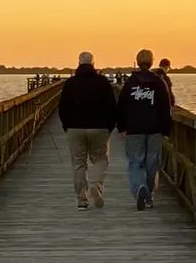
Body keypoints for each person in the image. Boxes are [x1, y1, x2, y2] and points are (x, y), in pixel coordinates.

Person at [57, 51, 117, 209]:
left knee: (78, 164)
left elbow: (62, 108)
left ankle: (82, 200)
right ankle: (95, 184)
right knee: (100, 159)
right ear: (93, 64)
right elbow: (112, 107)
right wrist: (109, 127)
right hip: (99, 127)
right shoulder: (103, 82)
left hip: (75, 128)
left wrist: (66, 126)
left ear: (78, 63)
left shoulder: (70, 83)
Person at [116, 48, 174, 208]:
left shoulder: (130, 82)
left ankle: (140, 188)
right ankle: (149, 196)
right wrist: (166, 129)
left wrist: (121, 126)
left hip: (134, 128)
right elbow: (166, 107)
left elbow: (121, 105)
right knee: (152, 162)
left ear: (137, 61)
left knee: (135, 161)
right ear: (152, 62)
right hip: (155, 128)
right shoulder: (159, 82)